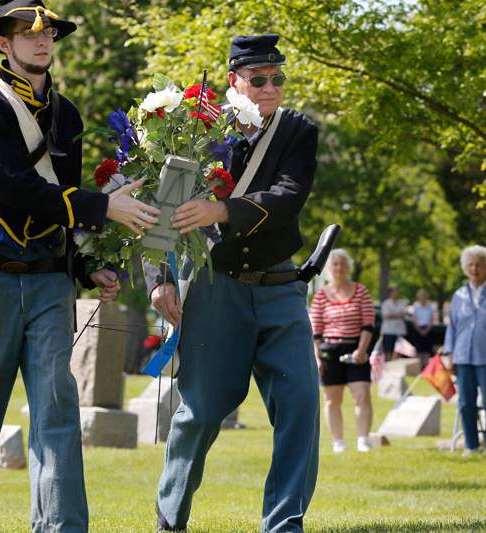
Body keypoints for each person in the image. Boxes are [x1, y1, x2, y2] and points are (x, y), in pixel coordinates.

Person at [0, 2, 160, 532]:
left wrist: (83, 268)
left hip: (49, 280)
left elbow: (58, 207)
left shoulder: (68, 115)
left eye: (48, 31)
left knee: (58, 410)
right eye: (26, 32)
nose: (41, 39)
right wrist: (106, 207)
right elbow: (15, 190)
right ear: (3, 44)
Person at [146, 34, 320, 533]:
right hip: (216, 289)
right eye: (258, 79)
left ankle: (284, 524)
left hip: (281, 287)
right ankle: (170, 518)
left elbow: (288, 196)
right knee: (200, 412)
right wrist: (159, 279)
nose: (270, 88)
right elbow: (160, 210)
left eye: (277, 79)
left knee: (301, 407)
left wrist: (223, 209)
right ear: (234, 82)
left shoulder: (298, 132)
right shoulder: (199, 133)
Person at [442, 245, 486, 456]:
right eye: (471, 264)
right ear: (465, 267)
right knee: (465, 403)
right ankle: (471, 445)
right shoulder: (459, 295)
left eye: (479, 265)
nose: (475, 269)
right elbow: (452, 327)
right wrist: (450, 354)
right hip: (463, 356)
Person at [310, 248, 375, 454]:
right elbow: (315, 330)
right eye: (335, 264)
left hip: (356, 348)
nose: (339, 268)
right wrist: (317, 357)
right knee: (332, 399)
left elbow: (368, 324)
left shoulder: (361, 291)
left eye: (342, 264)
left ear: (348, 267)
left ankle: (363, 439)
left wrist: (361, 350)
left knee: (362, 394)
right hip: (329, 350)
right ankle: (338, 441)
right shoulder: (321, 295)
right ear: (329, 268)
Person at [410, 289, 438, 363]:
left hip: (428, 329)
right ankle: (419, 366)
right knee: (418, 349)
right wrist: (419, 330)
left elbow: (432, 319)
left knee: (427, 350)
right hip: (418, 330)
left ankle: (426, 366)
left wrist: (427, 330)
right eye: (421, 296)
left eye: (424, 296)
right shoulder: (415, 306)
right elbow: (414, 320)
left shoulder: (431, 307)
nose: (422, 298)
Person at [380, 286, 407, 359]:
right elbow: (386, 315)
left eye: (397, 291)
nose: (396, 293)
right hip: (388, 331)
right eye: (394, 292)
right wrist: (398, 314)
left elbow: (404, 314)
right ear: (390, 293)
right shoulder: (385, 303)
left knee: (399, 350)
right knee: (388, 350)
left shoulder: (402, 303)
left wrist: (393, 314)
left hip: (400, 331)